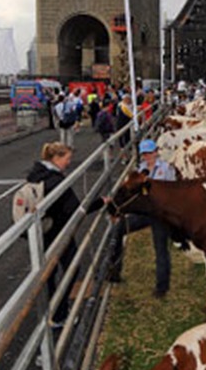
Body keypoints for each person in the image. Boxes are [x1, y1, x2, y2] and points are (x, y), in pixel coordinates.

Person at [26, 142, 106, 325]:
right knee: (71, 268)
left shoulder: (35, 174)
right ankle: (59, 314)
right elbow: (75, 209)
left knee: (49, 274)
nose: (69, 163)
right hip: (58, 232)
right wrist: (100, 201)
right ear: (56, 158)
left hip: (41, 231)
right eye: (67, 159)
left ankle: (52, 311)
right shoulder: (55, 181)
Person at [108, 138, 176, 297]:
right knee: (119, 229)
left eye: (150, 153)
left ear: (156, 152)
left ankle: (162, 287)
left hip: (160, 214)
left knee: (160, 248)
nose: (147, 157)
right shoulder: (140, 170)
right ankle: (114, 270)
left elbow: (172, 192)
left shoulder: (166, 169)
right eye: (144, 154)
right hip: (144, 213)